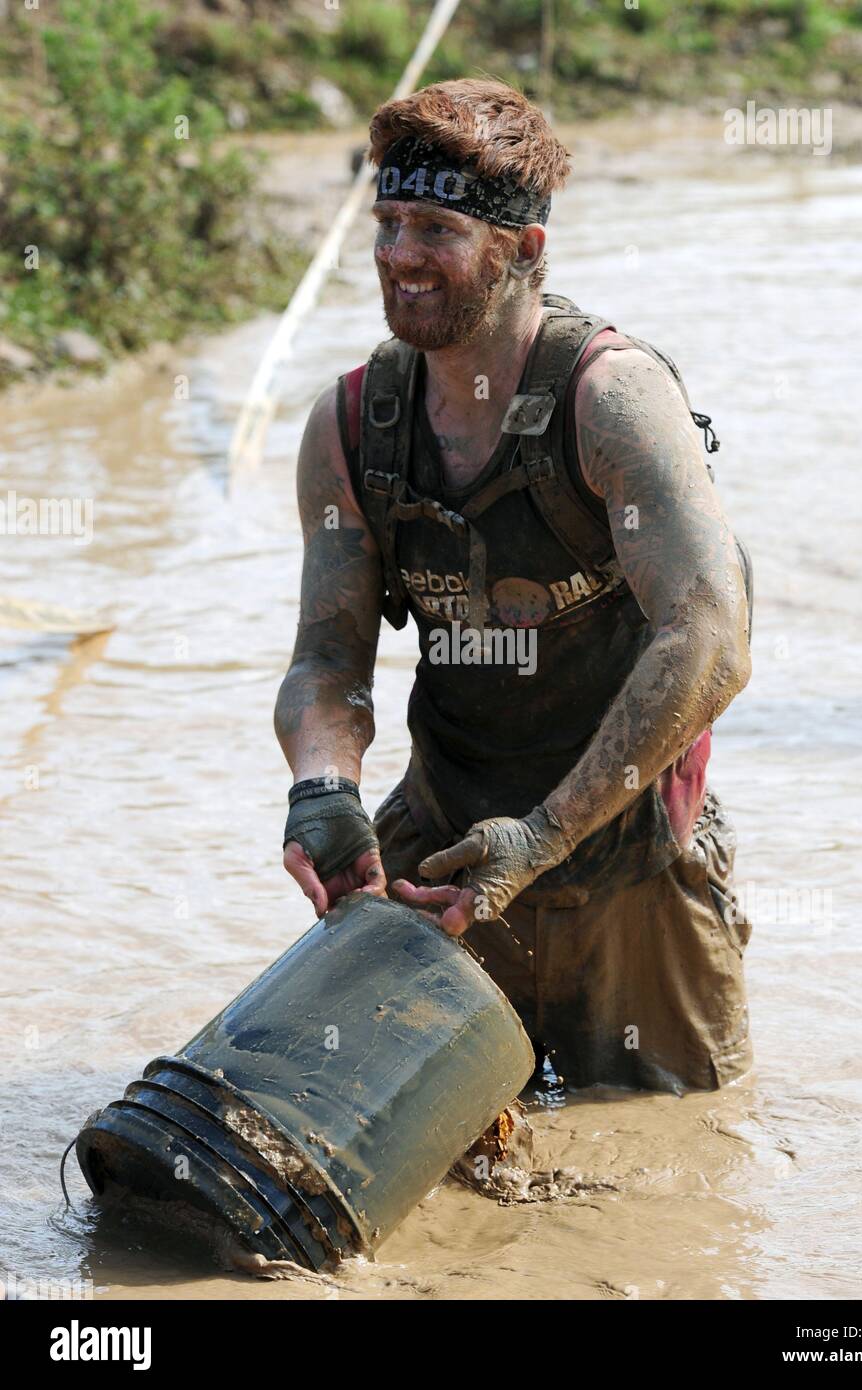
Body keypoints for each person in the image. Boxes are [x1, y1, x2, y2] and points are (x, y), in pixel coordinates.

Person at [274, 78, 753, 1094]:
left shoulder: (611, 400)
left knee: (674, 1177)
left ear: (525, 248)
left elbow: (710, 636)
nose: (398, 254)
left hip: (631, 867)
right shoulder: (352, 425)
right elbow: (327, 657)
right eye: (388, 221)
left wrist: (539, 838)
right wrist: (321, 793)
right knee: (367, 1138)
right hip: (437, 859)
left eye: (436, 229)